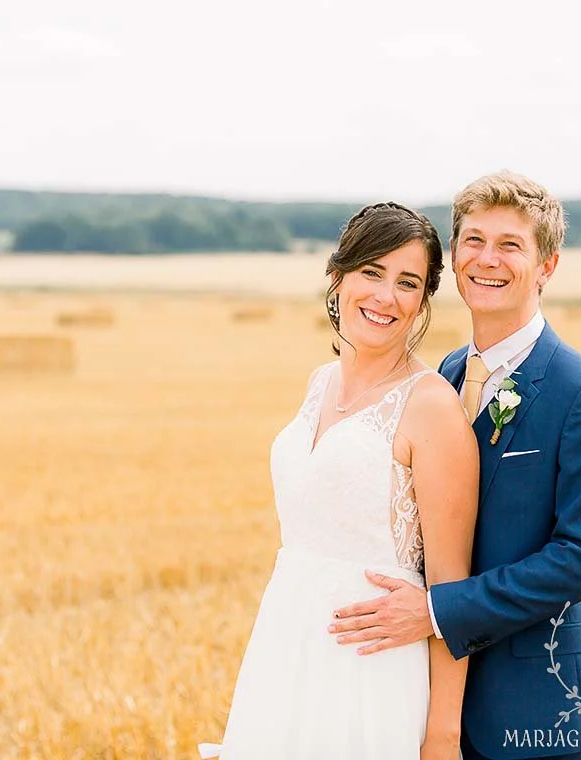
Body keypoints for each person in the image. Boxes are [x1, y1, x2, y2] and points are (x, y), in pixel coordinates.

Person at [328, 172, 581, 760]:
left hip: (532, 707)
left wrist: (439, 612)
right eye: (473, 241)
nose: (487, 260)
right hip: (416, 691)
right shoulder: (440, 375)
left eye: (510, 245)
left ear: (547, 266)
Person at [199, 202, 479, 759]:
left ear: (423, 302)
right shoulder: (318, 383)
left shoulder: (431, 408)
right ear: (338, 276)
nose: (384, 296)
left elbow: (451, 590)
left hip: (371, 670)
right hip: (286, 645)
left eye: (407, 282)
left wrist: (442, 737)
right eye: (371, 272)